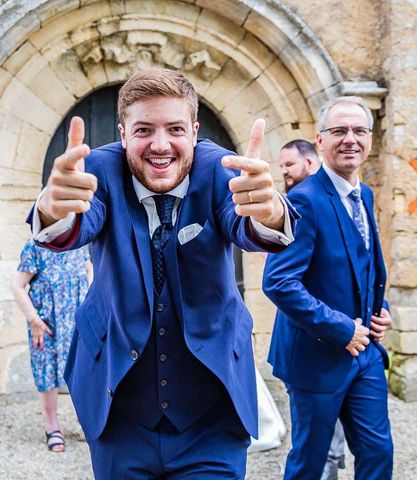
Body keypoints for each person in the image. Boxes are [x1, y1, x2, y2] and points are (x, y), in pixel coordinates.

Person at [28, 68, 296, 479]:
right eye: (143, 130)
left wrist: (270, 211)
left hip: (211, 413)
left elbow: (248, 224)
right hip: (118, 408)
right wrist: (53, 208)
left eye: (174, 128)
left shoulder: (221, 169)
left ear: (194, 130)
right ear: (122, 134)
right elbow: (74, 225)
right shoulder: (98, 169)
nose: (159, 144)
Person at [263, 96, 394, 480]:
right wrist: (342, 328)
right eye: (339, 131)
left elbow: (361, 264)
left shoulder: (364, 194)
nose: (349, 139)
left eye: (358, 130)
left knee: (378, 452)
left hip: (365, 353)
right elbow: (278, 281)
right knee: (313, 461)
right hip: (315, 355)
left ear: (369, 138)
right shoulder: (304, 199)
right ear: (320, 142)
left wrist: (379, 308)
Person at [278, 139, 347, 480]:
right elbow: (280, 280)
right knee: (316, 447)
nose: (284, 173)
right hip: (308, 340)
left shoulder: (341, 199)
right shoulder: (295, 203)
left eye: (289, 165)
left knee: (330, 441)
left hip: (346, 338)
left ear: (310, 162)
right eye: (281, 167)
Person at [11, 238, 92, 452]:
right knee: (47, 372)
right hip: (46, 324)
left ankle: (87, 423)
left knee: (85, 373)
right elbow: (17, 286)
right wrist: (33, 320)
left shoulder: (80, 241)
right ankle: (52, 427)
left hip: (77, 322)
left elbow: (89, 273)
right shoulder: (35, 245)